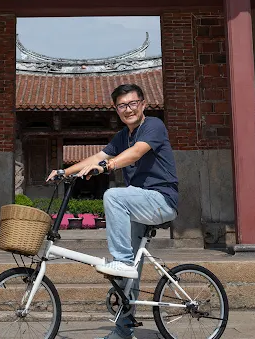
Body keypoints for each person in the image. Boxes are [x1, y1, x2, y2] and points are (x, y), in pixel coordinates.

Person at [47, 83, 178, 339]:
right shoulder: (122, 136)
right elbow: (98, 156)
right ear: (117, 110)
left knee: (113, 195)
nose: (127, 109)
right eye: (122, 106)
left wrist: (108, 167)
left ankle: (120, 260)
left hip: (161, 199)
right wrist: (65, 171)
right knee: (128, 275)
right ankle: (123, 330)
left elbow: (135, 154)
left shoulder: (153, 126)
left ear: (142, 104)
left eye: (132, 104)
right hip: (138, 203)